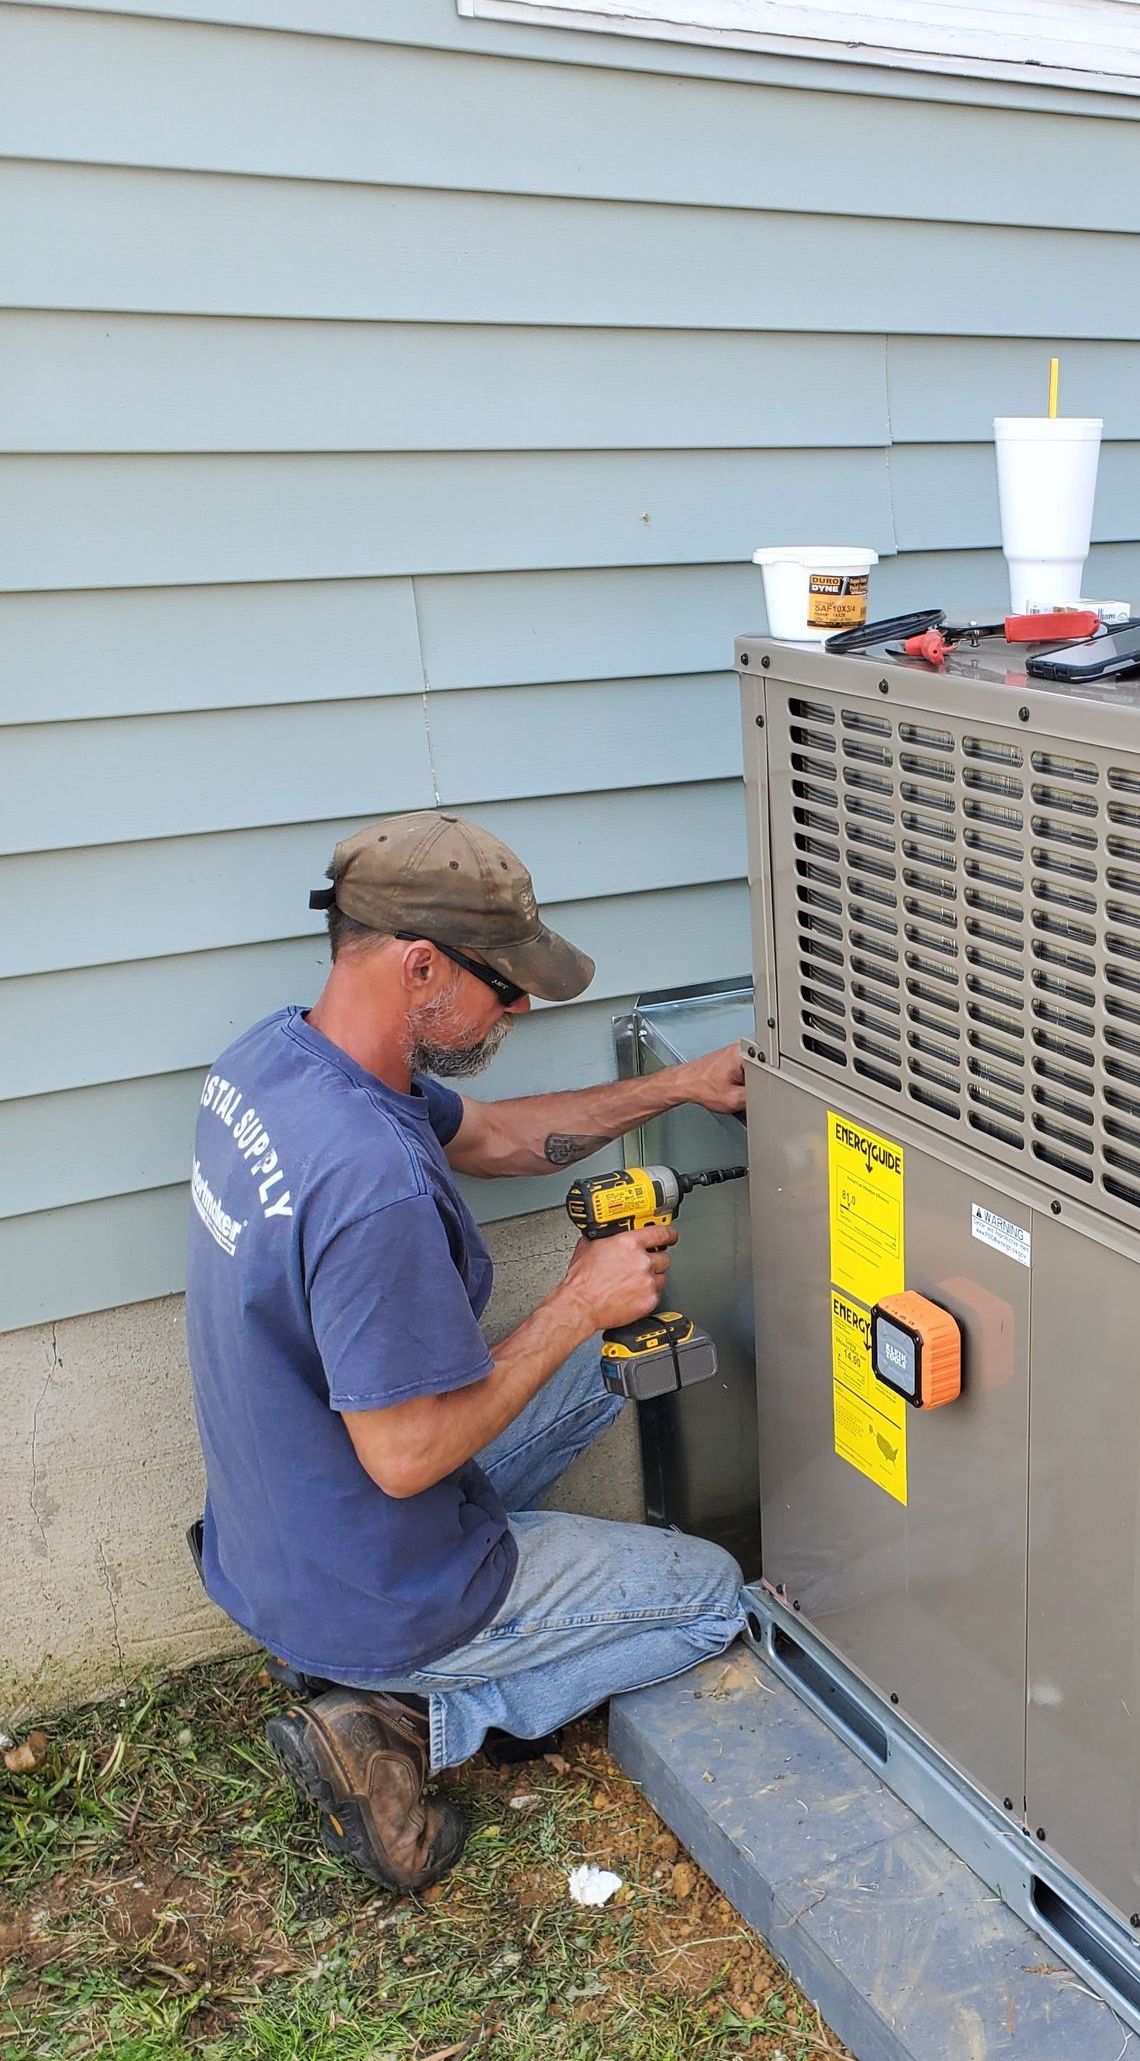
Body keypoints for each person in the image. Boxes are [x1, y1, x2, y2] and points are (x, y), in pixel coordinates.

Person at [184, 809, 749, 1893]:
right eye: (505, 982)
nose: (523, 1005)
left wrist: (676, 1085)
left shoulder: (279, 1063)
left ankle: (365, 1667)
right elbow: (406, 1457)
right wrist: (578, 1300)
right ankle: (405, 1711)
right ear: (422, 965)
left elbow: (490, 1137)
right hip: (376, 1571)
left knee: (606, 1346)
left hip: (285, 1532)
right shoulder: (370, 1183)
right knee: (713, 1596)